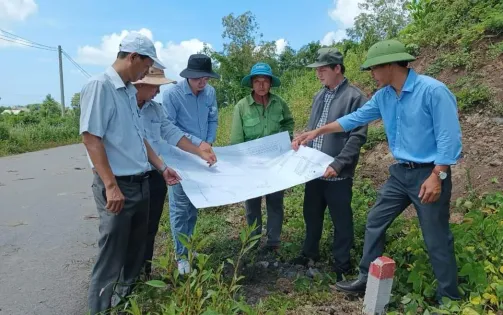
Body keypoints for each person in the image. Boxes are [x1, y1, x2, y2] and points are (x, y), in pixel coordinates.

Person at [292, 39, 462, 302]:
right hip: (400, 173)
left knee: (436, 236)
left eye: (373, 68)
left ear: (390, 65)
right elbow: (353, 120)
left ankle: (449, 298)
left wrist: (437, 175)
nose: (371, 74)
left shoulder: (432, 91)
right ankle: (365, 278)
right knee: (375, 221)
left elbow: (449, 138)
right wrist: (316, 131)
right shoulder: (384, 96)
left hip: (429, 174)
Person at [80, 32, 181, 314]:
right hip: (118, 186)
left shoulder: (127, 91)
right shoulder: (100, 86)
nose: (146, 71)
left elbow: (139, 138)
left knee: (137, 250)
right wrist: (110, 185)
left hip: (141, 183)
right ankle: (100, 309)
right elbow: (91, 137)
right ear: (132, 57)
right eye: (146, 64)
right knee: (112, 254)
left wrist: (162, 167)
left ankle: (126, 305)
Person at [290, 48, 368, 280]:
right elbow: (315, 128)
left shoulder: (355, 97)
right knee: (311, 214)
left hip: (338, 173)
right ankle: (309, 254)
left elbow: (357, 136)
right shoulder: (318, 96)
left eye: (323, 69)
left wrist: (339, 164)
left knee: (341, 218)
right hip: (314, 171)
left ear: (337, 68)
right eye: (317, 70)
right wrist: (303, 140)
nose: (318, 74)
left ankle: (342, 265)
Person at [132, 66, 217, 278]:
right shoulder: (124, 107)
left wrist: (200, 150)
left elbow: (171, 132)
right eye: (154, 87)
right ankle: (125, 279)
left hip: (157, 171)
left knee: (151, 226)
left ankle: (144, 274)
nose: (158, 92)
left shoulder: (154, 109)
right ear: (140, 83)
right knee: (130, 229)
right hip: (132, 175)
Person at [162, 54, 219, 275]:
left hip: (202, 158)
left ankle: (189, 246)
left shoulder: (210, 93)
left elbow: (213, 119)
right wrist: (198, 143)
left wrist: (209, 143)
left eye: (206, 78)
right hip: (178, 157)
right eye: (198, 79)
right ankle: (181, 256)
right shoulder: (172, 95)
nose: (202, 83)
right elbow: (169, 128)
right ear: (188, 76)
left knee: (194, 205)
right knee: (179, 207)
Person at [230, 62, 294, 254]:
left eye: (265, 81)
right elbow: (236, 139)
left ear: (270, 83)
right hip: (251, 165)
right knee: (252, 204)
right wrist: (242, 164)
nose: (261, 85)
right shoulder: (241, 107)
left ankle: (273, 241)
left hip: (276, 163)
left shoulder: (279, 103)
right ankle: (253, 240)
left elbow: (289, 122)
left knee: (275, 202)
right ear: (251, 84)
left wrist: (285, 139)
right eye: (257, 81)